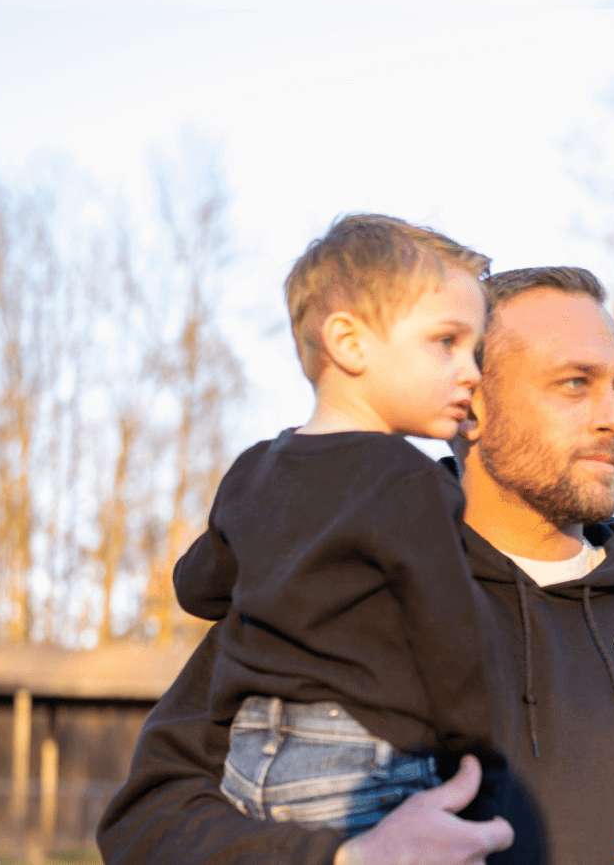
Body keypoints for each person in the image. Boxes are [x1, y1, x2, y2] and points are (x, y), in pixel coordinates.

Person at [99, 267, 614, 865]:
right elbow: (148, 821)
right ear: (471, 403)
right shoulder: (331, 584)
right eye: (574, 384)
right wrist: (345, 860)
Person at [168, 214, 510, 847]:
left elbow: (197, 587)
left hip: (244, 761)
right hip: (360, 759)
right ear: (350, 344)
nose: (470, 371)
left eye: (476, 350)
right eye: (446, 343)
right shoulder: (408, 479)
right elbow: (453, 635)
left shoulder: (254, 469)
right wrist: (480, 754)